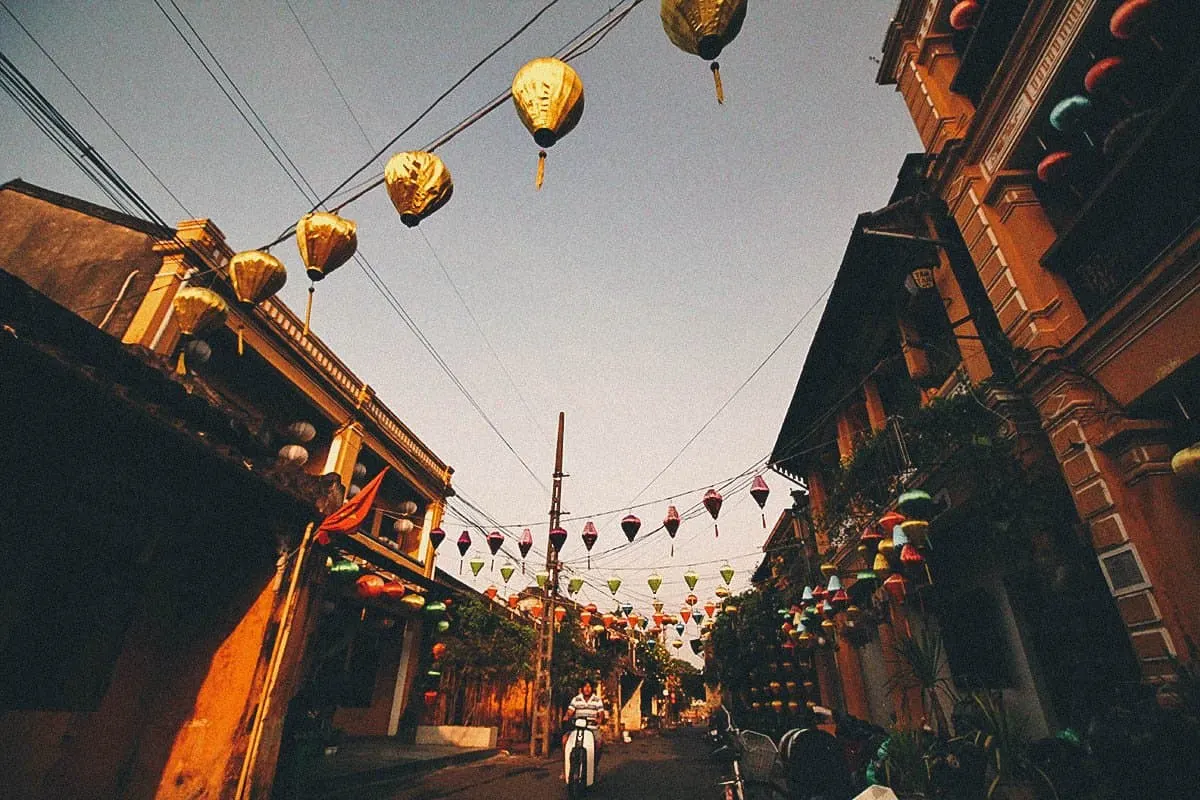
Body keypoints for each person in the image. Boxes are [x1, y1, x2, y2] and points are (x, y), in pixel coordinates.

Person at [563, 679, 606, 757]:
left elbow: (601, 713)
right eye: (585, 686)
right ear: (582, 688)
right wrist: (567, 716)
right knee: (565, 739)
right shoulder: (576, 699)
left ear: (592, 688)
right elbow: (570, 711)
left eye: (589, 686)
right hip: (577, 728)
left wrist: (600, 719)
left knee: (599, 742)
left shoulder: (597, 700)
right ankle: (568, 760)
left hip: (592, 727)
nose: (587, 688)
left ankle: (594, 762)